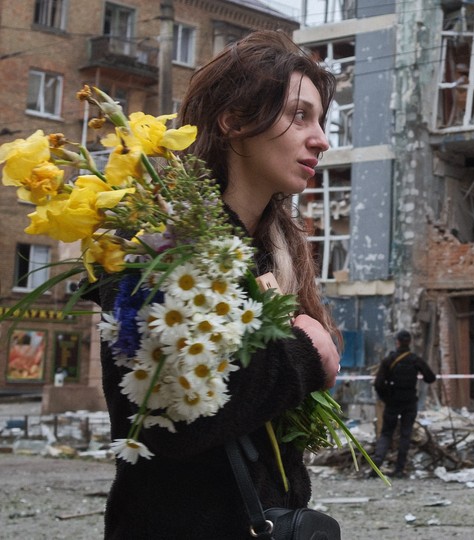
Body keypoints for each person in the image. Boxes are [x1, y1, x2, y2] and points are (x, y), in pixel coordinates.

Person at [89, 31, 342, 539]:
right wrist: (306, 354)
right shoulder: (153, 242)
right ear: (233, 120)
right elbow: (170, 420)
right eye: (299, 115)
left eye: (321, 121)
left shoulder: (277, 248)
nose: (321, 139)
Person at [372, 329, 437, 478]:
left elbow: (378, 383)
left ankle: (376, 467)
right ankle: (399, 469)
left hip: (393, 401)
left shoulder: (389, 360)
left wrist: (386, 398)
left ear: (397, 342)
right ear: (410, 342)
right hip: (409, 401)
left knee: (386, 434)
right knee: (405, 435)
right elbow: (430, 378)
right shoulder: (415, 360)